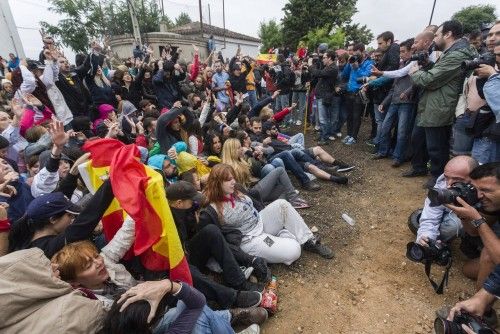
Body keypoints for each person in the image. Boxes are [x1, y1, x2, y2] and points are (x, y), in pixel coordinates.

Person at [200, 164, 334, 265]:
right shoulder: (212, 209)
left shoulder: (235, 189)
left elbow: (256, 204)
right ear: (217, 183)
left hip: (260, 221)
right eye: (228, 180)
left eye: (233, 178)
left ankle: (308, 241)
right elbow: (214, 240)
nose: (233, 181)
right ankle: (283, 236)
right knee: (294, 250)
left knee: (282, 204)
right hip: (252, 239)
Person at [409, 20, 477, 187]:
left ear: (448, 34)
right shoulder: (451, 53)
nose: (434, 39)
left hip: (440, 107)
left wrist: (416, 72)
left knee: (437, 147)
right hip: (435, 104)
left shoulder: (458, 54)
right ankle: (432, 174)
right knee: (430, 144)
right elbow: (442, 76)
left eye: (437, 35)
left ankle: (438, 178)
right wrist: (428, 64)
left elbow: (431, 80)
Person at [415, 156, 478, 248]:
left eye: (457, 179)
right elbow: (430, 218)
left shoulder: (488, 185)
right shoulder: (441, 186)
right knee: (455, 225)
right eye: (446, 177)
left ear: (475, 179)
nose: (448, 185)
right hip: (454, 216)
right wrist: (426, 237)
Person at [371, 38, 416, 166]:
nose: (401, 54)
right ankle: (383, 151)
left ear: (411, 51)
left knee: (402, 132)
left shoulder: (415, 64)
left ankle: (398, 157)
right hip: (394, 101)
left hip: (407, 103)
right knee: (385, 127)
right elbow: (394, 87)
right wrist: (384, 102)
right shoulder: (401, 64)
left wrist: (407, 92)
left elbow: (416, 83)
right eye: (400, 51)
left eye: (403, 51)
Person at [341, 43, 374, 145]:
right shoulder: (352, 61)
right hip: (349, 92)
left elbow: (366, 77)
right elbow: (344, 75)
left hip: (358, 93)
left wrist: (357, 68)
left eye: (357, 53)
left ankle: (354, 137)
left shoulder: (369, 63)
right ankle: (349, 134)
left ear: (363, 51)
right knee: (349, 115)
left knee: (356, 116)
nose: (355, 54)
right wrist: (348, 64)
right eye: (353, 52)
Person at [310, 49, 339, 145]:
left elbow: (319, 74)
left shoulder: (333, 68)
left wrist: (310, 66)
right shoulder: (328, 67)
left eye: (324, 57)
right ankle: (322, 135)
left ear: (330, 58)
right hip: (321, 95)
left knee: (323, 118)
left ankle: (324, 138)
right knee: (322, 118)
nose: (323, 59)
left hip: (324, 96)